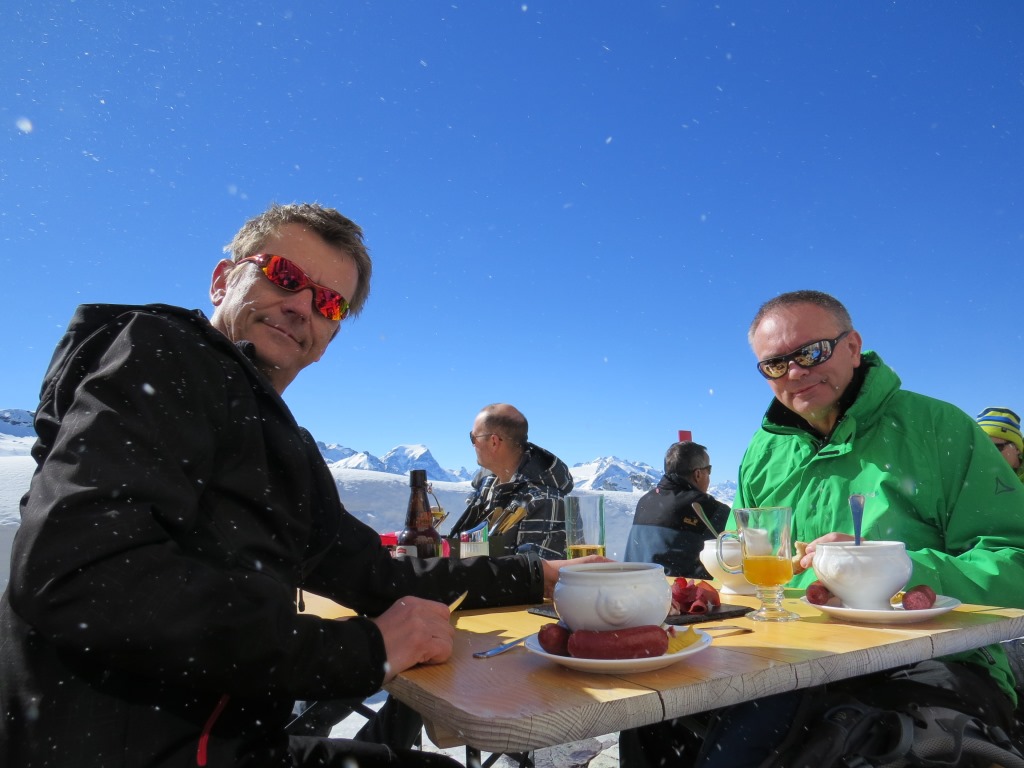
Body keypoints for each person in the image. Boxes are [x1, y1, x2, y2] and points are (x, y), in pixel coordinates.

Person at [0, 203, 597, 768]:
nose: (301, 306)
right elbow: (82, 578)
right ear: (222, 281)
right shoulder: (168, 357)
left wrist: (536, 575)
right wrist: (364, 651)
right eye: (284, 276)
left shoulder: (274, 443)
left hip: (229, 743)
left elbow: (376, 573)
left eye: (330, 303)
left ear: (330, 337)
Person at [687, 290, 1024, 767]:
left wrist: (892, 568)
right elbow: (741, 560)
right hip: (789, 656)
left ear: (852, 347)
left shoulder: (939, 429)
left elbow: (1015, 561)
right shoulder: (764, 453)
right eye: (775, 364)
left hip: (935, 658)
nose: (795, 372)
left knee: (849, 746)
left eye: (810, 352)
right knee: (665, 724)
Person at [448, 404, 573, 559]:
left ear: (494, 441)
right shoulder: (488, 485)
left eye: (473, 437)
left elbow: (534, 571)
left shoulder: (543, 501)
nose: (473, 444)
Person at [623, 441, 730, 577]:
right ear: (697, 474)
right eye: (708, 470)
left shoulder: (645, 501)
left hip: (635, 586)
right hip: (684, 590)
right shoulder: (709, 508)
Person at [977, 406, 1024, 483]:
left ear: (1017, 448)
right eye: (983, 447)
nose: (990, 454)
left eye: (997, 447)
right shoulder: (975, 477)